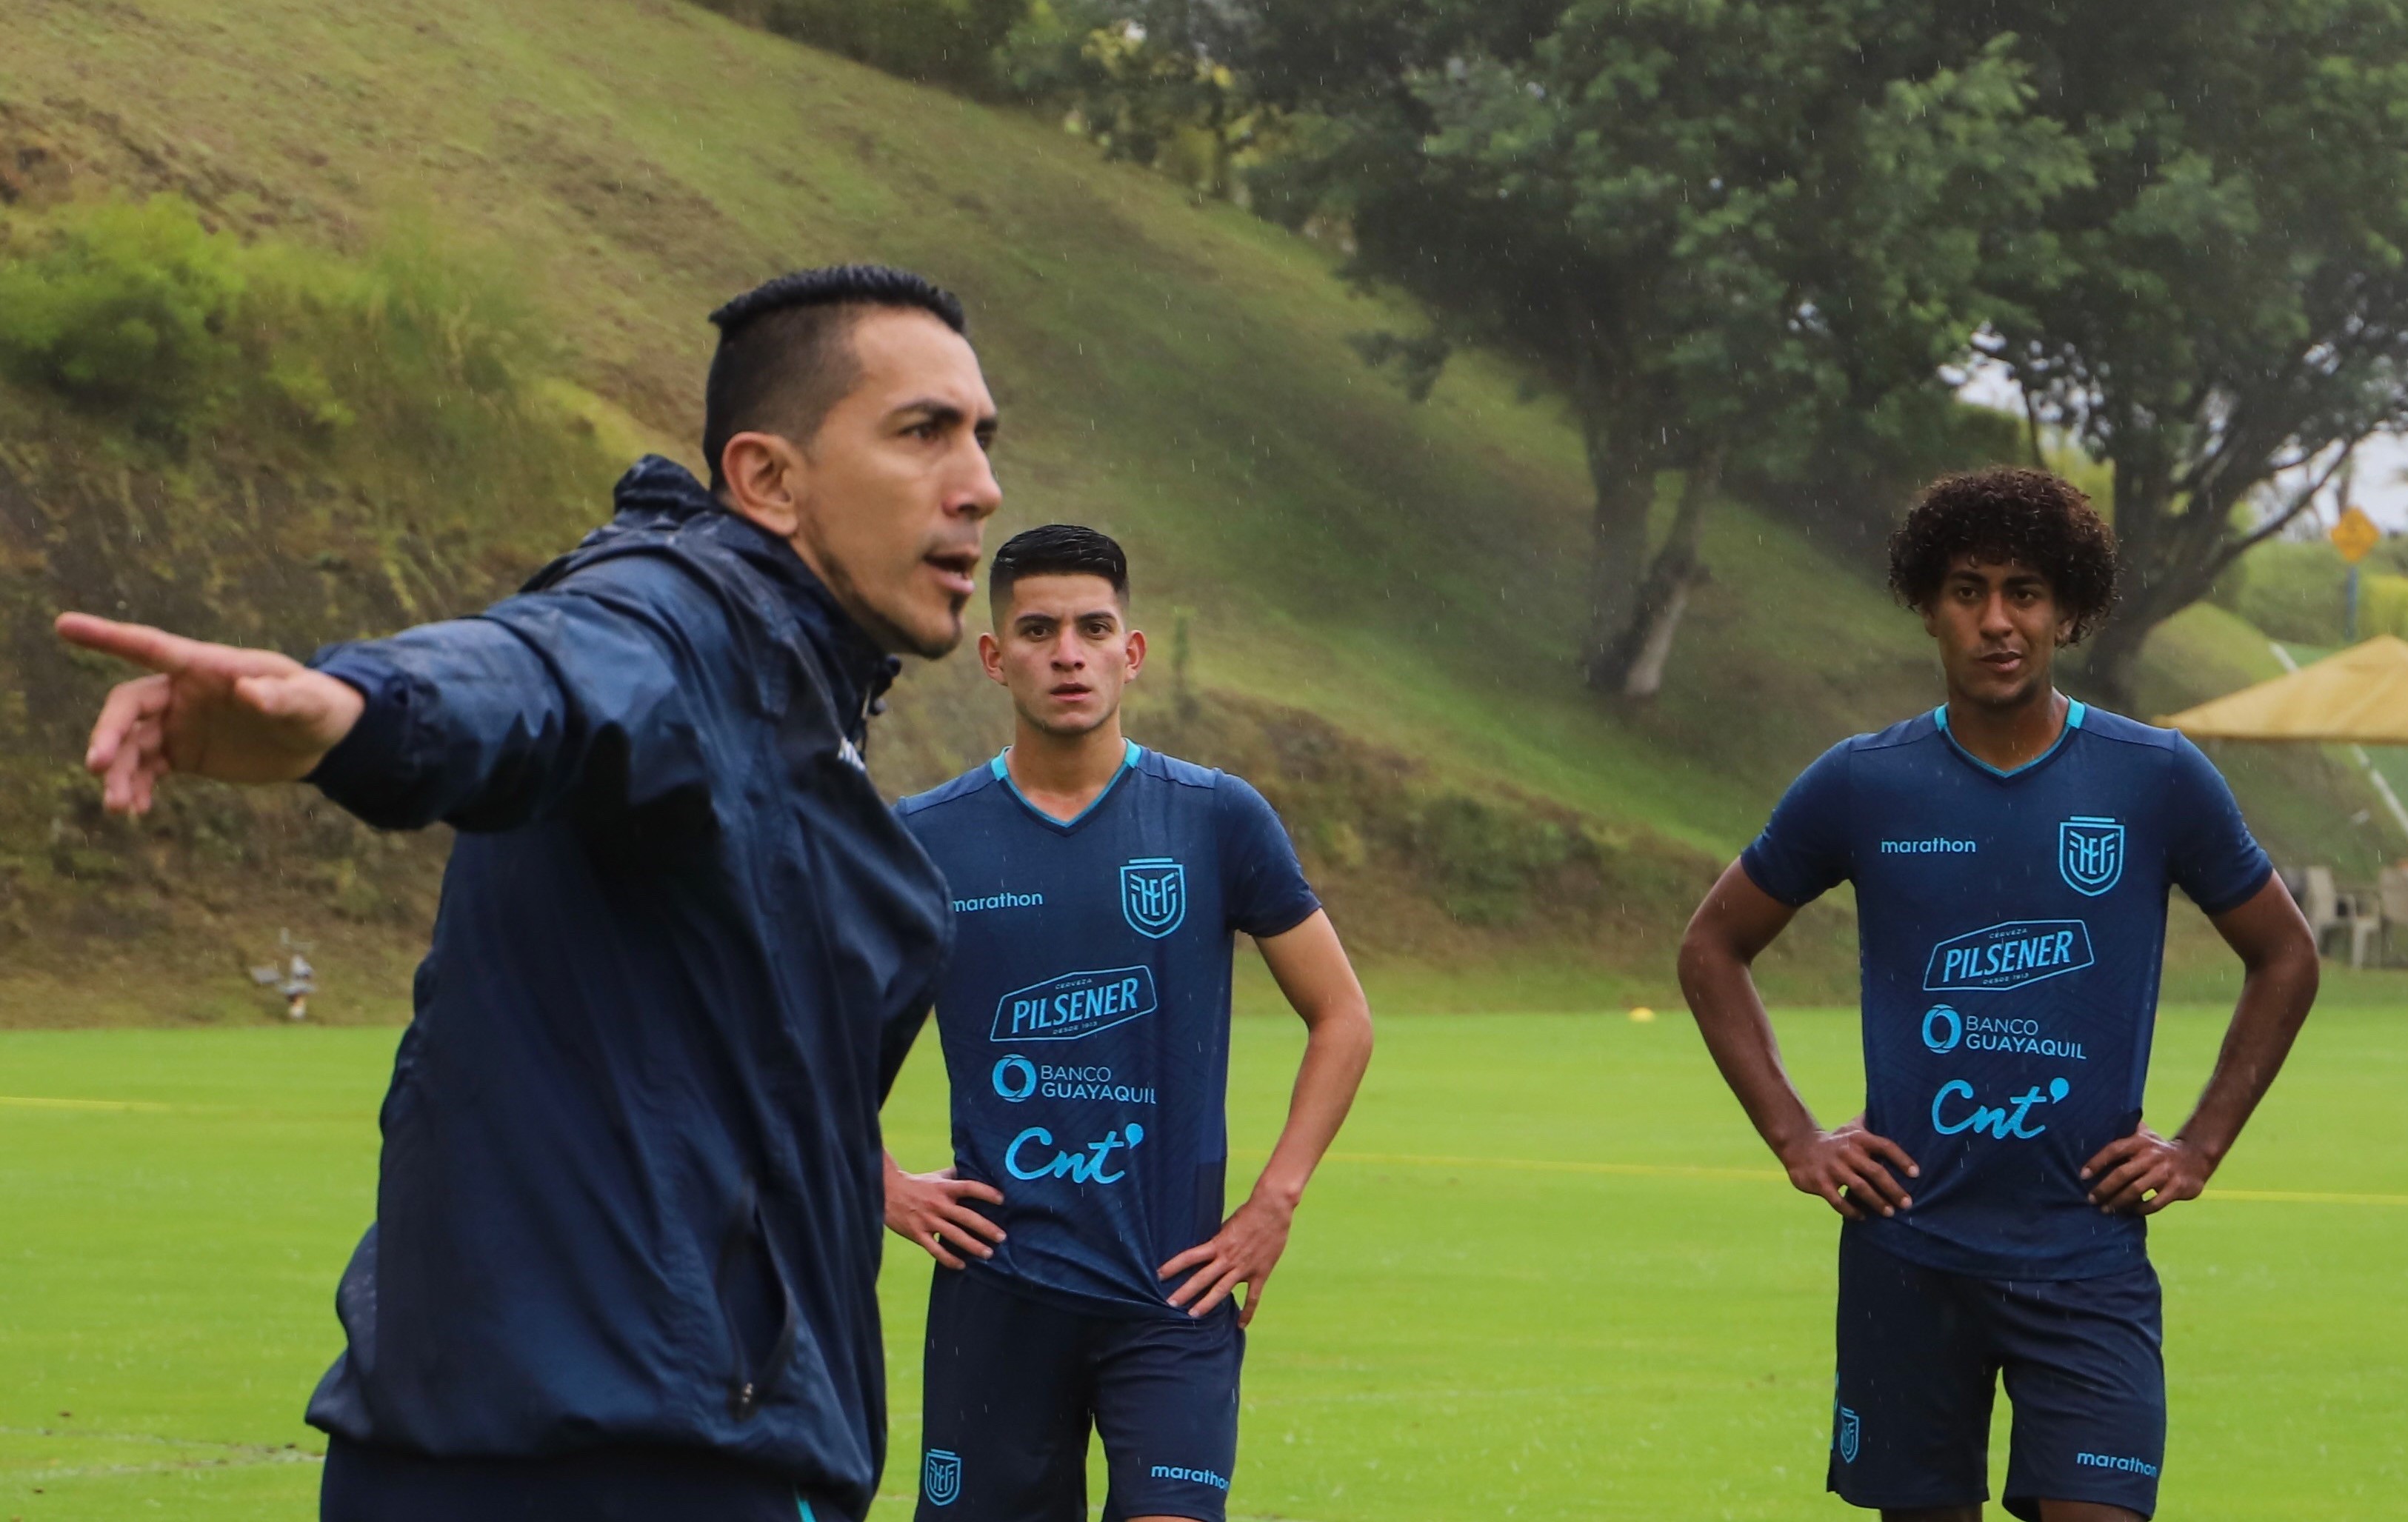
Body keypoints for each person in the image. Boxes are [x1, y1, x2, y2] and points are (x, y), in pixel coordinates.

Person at [55, 264, 1003, 1522]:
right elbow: (542, 676)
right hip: (628, 1464)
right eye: (923, 431)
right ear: (767, 478)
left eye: (983, 437)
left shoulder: (797, 699)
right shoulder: (684, 627)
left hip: (507, 1442)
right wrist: (353, 713)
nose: (980, 484)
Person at [1677, 467, 2318, 1522]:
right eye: (1967, 589)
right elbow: (1713, 947)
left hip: (2086, 1258)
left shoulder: (2153, 777)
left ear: (2067, 609)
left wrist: (2199, 1145)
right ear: (1928, 606)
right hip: (1910, 1253)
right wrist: (1797, 1137)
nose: (1996, 621)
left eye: (2024, 591)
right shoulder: (1861, 783)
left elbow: (2285, 955)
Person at [885, 524, 1374, 1522]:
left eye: (1092, 627)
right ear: (994, 656)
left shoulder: (1215, 819)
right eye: (1038, 629)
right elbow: (805, 1045)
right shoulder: (923, 841)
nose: (1067, 651)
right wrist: (877, 1180)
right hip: (1000, 1298)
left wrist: (1275, 1200)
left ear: (1131, 651)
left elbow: (1343, 1016)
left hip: (1175, 1296)